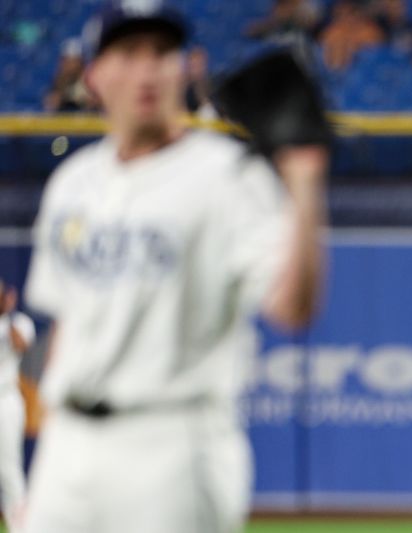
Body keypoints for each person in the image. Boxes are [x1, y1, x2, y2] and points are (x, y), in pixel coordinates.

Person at [22, 2, 328, 533]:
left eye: (162, 53)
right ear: (94, 75)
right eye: (129, 52)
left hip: (172, 444)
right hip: (69, 445)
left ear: (184, 68)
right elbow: (66, 325)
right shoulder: (71, 183)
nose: (148, 69)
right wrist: (52, 464)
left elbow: (291, 307)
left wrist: (303, 181)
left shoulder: (227, 175)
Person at [0, 280, 35, 533]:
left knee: (9, 472)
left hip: (5, 400)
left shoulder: (19, 322)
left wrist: (6, 314)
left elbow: (21, 344)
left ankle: (20, 528)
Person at [43, 38, 95, 112]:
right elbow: (51, 102)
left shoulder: (91, 80)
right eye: (64, 60)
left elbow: (93, 103)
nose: (65, 64)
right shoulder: (61, 79)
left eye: (70, 60)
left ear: (80, 62)